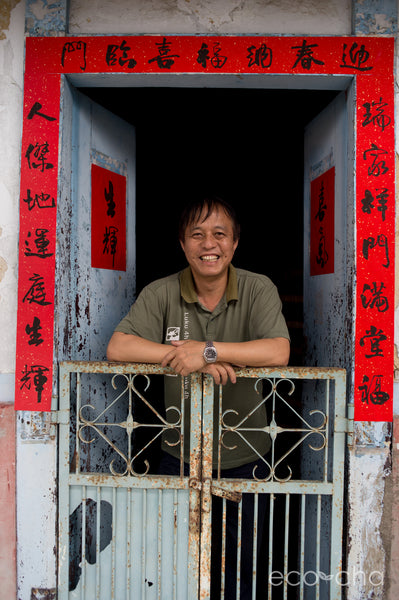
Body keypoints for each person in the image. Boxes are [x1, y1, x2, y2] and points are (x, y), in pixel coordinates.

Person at [107, 195, 290, 598]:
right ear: (183, 243)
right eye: (198, 235)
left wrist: (209, 350)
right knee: (175, 567)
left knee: (243, 573)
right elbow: (119, 347)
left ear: (235, 242)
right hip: (178, 455)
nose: (210, 244)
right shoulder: (163, 291)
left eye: (220, 234)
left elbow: (278, 350)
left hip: (248, 458)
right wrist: (184, 357)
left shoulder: (258, 288)